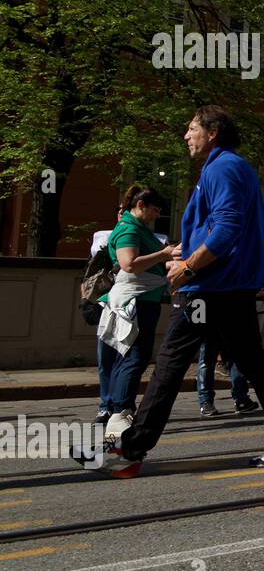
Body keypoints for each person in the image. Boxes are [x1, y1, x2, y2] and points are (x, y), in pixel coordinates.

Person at [74, 106, 264, 477]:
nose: (186, 136)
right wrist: (185, 253)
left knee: (170, 364)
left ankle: (130, 450)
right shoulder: (229, 166)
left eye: (191, 128)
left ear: (212, 132)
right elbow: (220, 227)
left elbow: (228, 226)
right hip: (226, 285)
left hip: (210, 288)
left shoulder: (222, 167)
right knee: (250, 360)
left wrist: (188, 266)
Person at [96, 186, 179, 440]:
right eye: (154, 210)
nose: (156, 216)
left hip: (142, 301)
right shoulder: (130, 229)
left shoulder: (139, 229)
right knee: (134, 356)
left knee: (128, 355)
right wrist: (164, 253)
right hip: (136, 302)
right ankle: (120, 410)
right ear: (141, 205)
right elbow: (129, 264)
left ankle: (114, 408)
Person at [194, 291, 264, 417]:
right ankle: (239, 399)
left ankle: (208, 401)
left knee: (210, 358)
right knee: (228, 356)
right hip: (225, 303)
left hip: (211, 303)